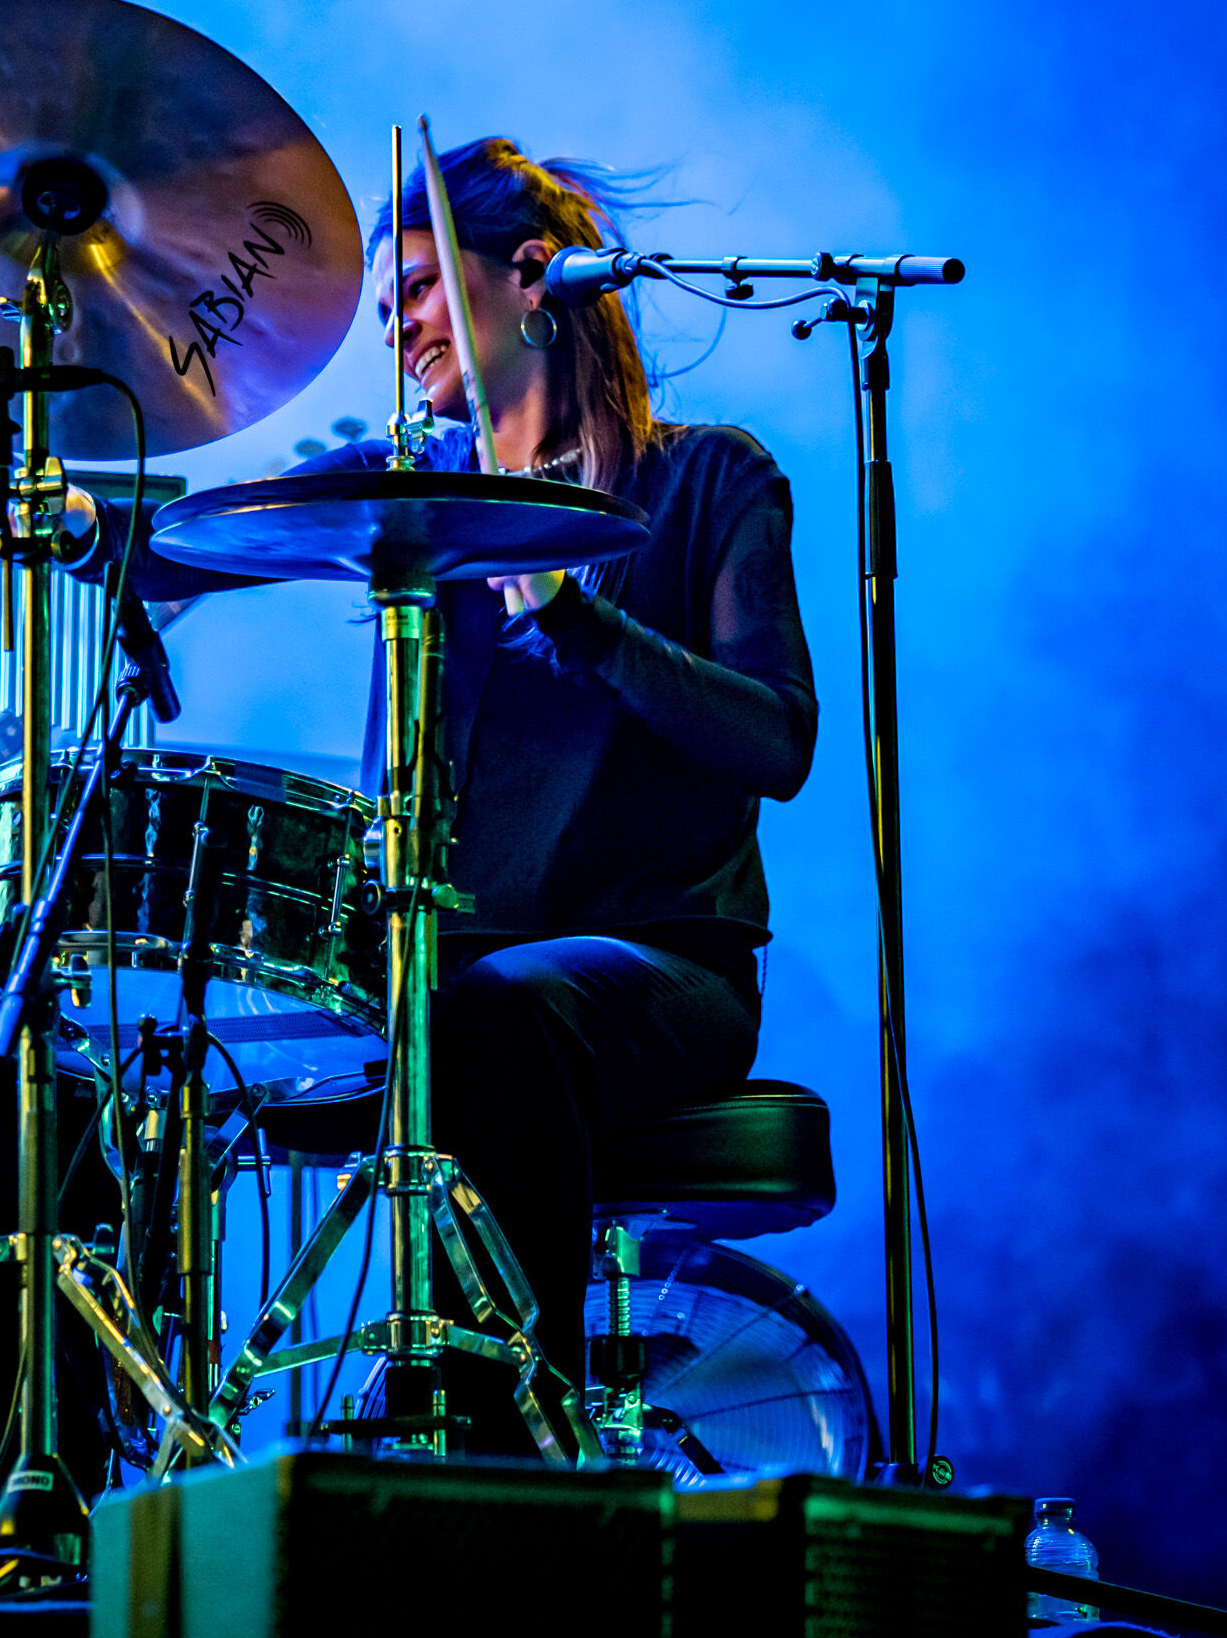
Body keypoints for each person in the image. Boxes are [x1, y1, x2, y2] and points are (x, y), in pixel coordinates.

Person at [78, 138, 816, 1445]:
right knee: (101, 1049)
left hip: (660, 968)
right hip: (423, 975)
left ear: (532, 275)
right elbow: (188, 549)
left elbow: (778, 740)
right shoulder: (404, 487)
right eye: (383, 308)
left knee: (495, 1014)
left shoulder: (711, 478)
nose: (396, 328)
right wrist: (74, 516)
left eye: (417, 289)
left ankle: (493, 1443)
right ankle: (62, 1469)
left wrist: (579, 621)